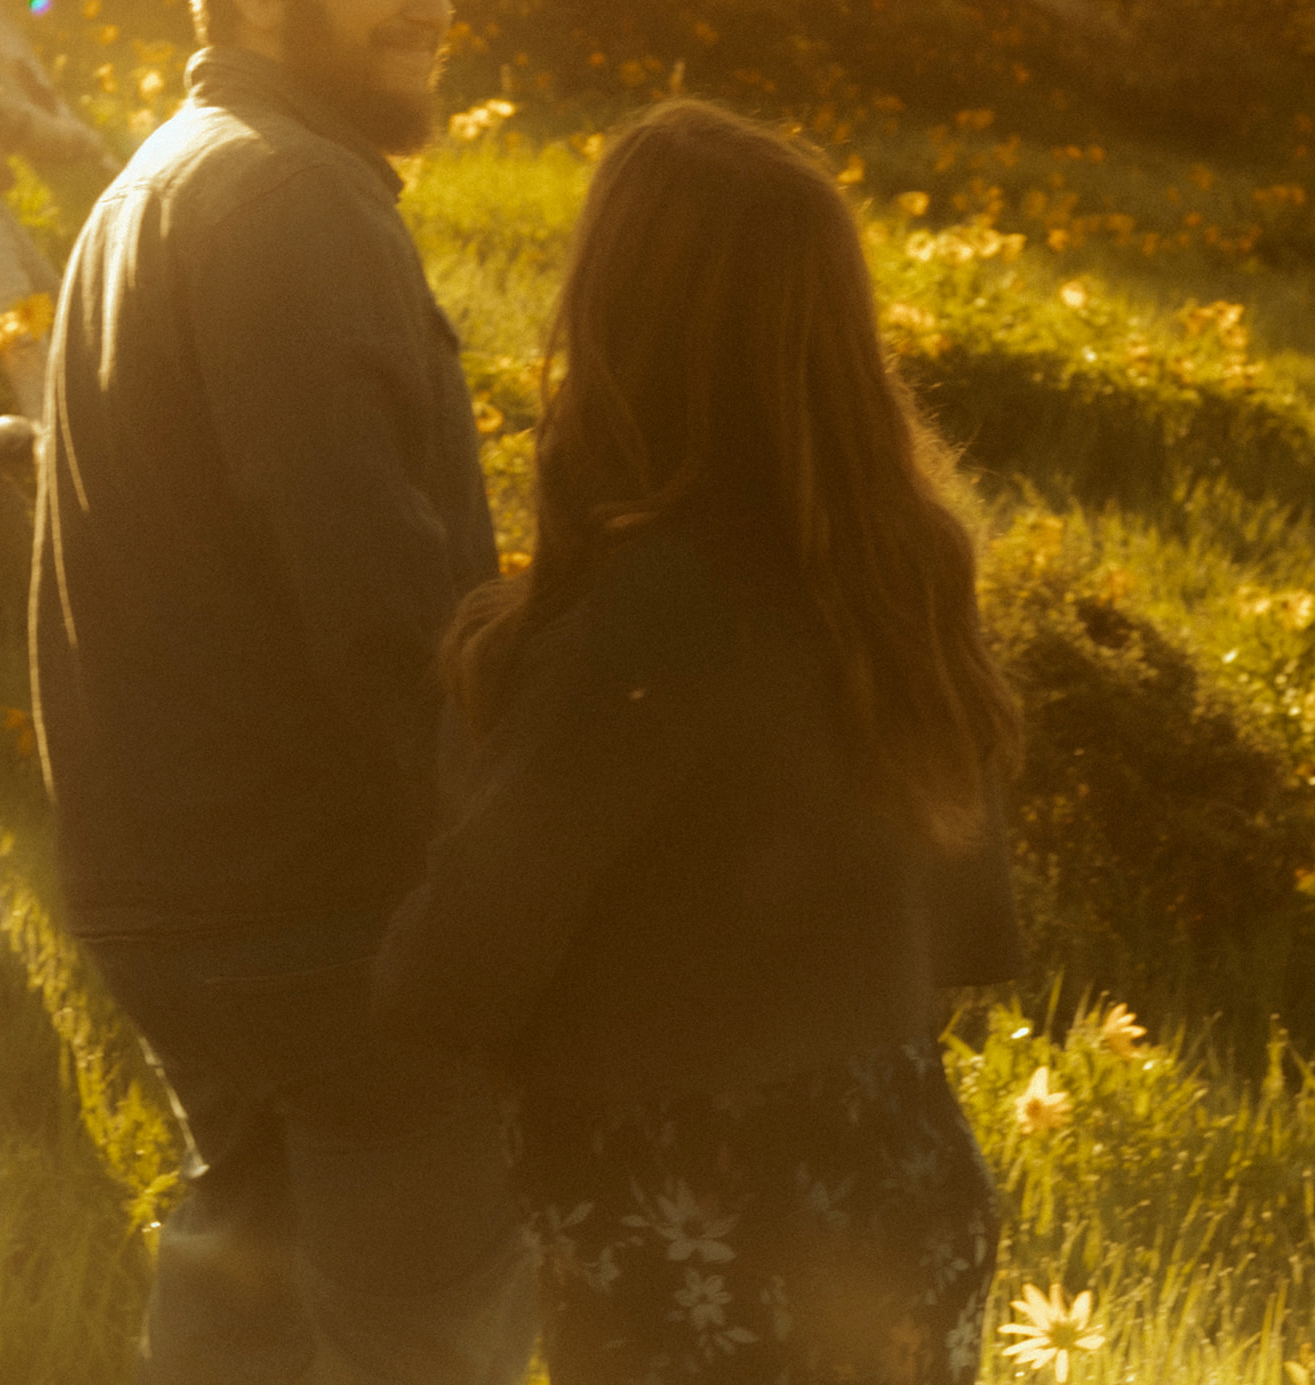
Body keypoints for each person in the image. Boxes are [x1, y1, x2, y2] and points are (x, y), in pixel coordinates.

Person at [374, 100, 1025, 1385]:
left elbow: (456, 966)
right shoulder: (893, 575)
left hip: (703, 1222)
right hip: (903, 1183)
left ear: (626, 326)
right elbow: (971, 928)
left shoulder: (651, 612)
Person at [28, 1, 535, 1381]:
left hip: (187, 901)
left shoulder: (161, 179)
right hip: (330, 912)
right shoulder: (293, 196)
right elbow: (379, 602)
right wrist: (505, 880)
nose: (427, 8)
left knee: (249, 1322)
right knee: (426, 1335)